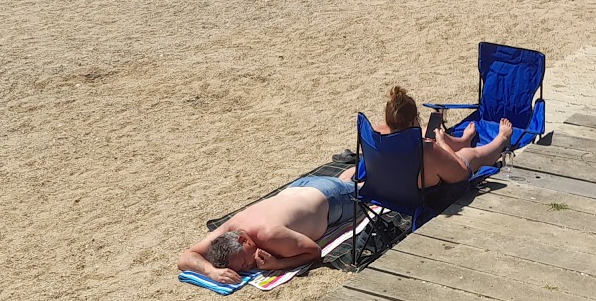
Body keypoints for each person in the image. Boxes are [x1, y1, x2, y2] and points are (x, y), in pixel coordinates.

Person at [177, 166, 359, 283]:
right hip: (302, 187)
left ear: (243, 240)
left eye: (244, 263)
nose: (248, 268)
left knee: (375, 189)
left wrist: (279, 263)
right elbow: (185, 258)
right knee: (345, 181)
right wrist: (211, 272)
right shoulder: (231, 226)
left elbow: (314, 252)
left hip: (334, 198)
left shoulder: (269, 235)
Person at [376, 85, 512, 189]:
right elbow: (462, 172)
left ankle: (464, 140)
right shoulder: (429, 150)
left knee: (426, 132)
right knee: (469, 154)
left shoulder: (377, 136)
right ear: (412, 121)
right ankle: (502, 139)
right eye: (417, 117)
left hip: (393, 188)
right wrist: (442, 144)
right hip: (427, 194)